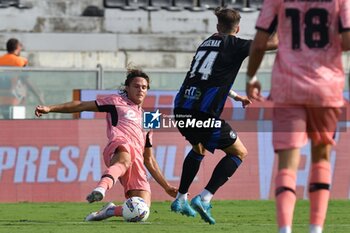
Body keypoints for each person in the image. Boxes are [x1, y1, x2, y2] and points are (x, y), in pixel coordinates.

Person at [246, 1, 350, 233]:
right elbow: (347, 41)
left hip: (287, 88)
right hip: (326, 88)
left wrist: (251, 77)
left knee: (287, 165)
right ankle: (316, 229)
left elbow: (260, 43)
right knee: (321, 157)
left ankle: (285, 229)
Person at [171, 7, 278, 224]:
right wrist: (276, 19)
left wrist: (235, 96)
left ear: (217, 27)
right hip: (203, 113)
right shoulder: (236, 45)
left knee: (198, 148)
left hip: (181, 108)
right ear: (237, 29)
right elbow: (274, 43)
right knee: (239, 152)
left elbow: (205, 77)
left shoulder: (206, 43)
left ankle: (180, 198)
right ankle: (205, 197)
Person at [35, 68, 178, 221]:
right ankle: (101, 188)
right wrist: (50, 108)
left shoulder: (150, 118)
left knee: (141, 210)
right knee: (124, 159)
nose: (140, 90)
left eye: (144, 87)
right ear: (127, 88)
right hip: (119, 145)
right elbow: (81, 105)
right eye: (136, 86)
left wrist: (167, 186)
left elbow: (148, 159)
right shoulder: (116, 102)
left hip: (136, 160)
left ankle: (110, 211)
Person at [0, 38, 44, 118]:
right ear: (17, 47)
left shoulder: (1, 60)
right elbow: (26, 80)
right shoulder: (21, 61)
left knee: (5, 123)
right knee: (17, 126)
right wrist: (38, 95)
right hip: (17, 100)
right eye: (20, 45)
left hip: (2, 100)